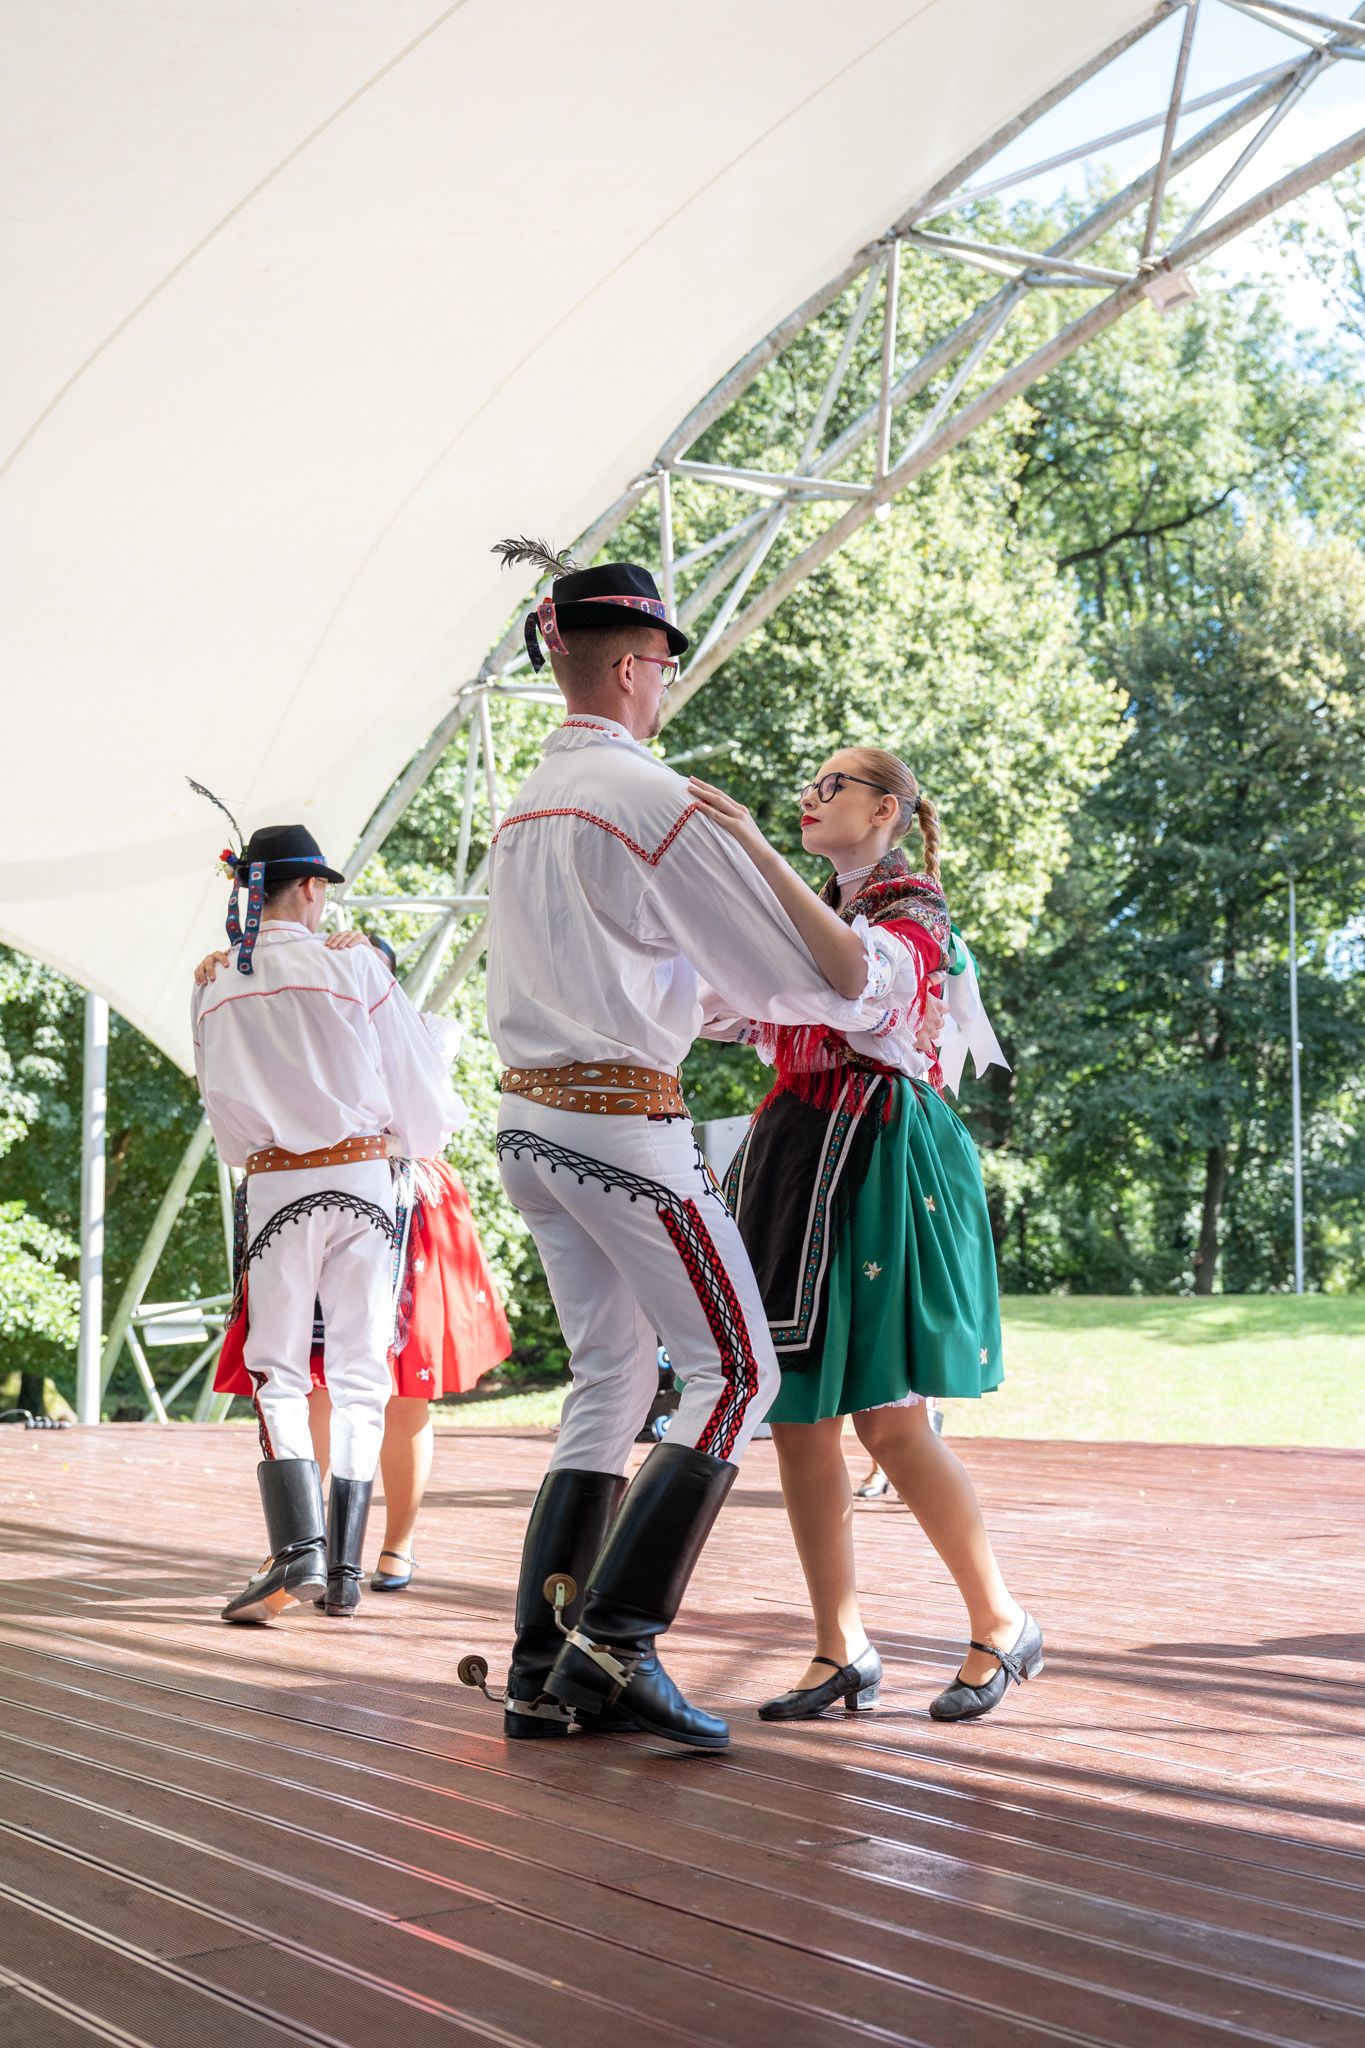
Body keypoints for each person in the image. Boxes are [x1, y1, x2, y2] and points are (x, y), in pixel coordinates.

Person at [480, 540, 920, 1751]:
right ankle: (615, 1644)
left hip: (530, 1123)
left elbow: (677, 973)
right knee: (737, 1370)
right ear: (634, 666)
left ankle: (540, 1667)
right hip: (622, 1122)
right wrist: (874, 980)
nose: (664, 687)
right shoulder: (650, 797)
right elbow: (795, 973)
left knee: (610, 1380)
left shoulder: (526, 807)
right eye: (664, 668)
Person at [690, 749, 1043, 1724]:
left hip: (878, 1147)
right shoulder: (816, 907)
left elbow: (858, 984)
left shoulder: (910, 907)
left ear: (887, 808)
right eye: (808, 784)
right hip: (799, 1145)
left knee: (889, 1419)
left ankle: (1002, 1619)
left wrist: (753, 854)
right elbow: (723, 1006)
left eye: (832, 784)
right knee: (799, 1415)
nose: (809, 796)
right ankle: (839, 1643)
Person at [188, 803, 462, 1624]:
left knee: (278, 1369)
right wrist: (403, 1143)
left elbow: (225, 1120)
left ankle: (298, 1548)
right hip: (366, 1181)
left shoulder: (214, 983)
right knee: (358, 1371)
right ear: (309, 888)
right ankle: (343, 1568)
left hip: (276, 1181)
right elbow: (419, 1090)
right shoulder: (355, 967)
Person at [198, 929, 512, 1594]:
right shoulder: (311, 1012)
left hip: (406, 1207)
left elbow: (423, 1125)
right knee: (318, 1379)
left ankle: (387, 1545)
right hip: (344, 1193)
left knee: (401, 1385)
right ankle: (314, 1550)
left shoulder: (421, 1029)